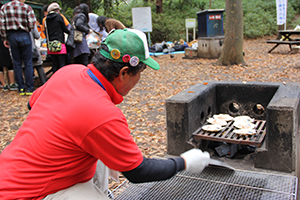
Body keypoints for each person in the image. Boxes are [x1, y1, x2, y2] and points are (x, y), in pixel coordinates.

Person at [0, 28, 210, 199]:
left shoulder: (68, 71)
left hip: (8, 173)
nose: (139, 81)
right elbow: (138, 172)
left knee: (93, 145)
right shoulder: (102, 115)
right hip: (30, 194)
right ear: (124, 73)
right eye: (141, 73)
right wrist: (183, 162)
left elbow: (32, 104)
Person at [0, 0, 36, 95]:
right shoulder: (27, 7)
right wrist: (26, 28)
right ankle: (29, 88)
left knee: (17, 63)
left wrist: (5, 38)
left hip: (11, 35)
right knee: (28, 62)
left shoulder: (4, 8)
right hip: (24, 34)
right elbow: (32, 24)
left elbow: (2, 25)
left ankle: (20, 88)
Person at [45, 3, 70, 74]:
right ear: (57, 10)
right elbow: (65, 29)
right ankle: (62, 80)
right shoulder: (59, 17)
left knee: (54, 64)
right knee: (62, 64)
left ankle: (54, 80)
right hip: (60, 44)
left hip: (51, 45)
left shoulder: (47, 19)